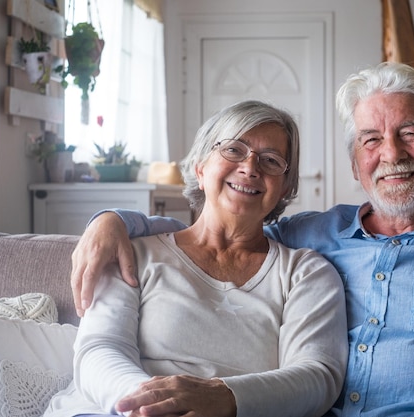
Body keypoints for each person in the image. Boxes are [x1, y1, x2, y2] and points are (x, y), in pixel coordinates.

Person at [71, 62, 414, 416]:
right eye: (372, 139)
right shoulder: (307, 238)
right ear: (356, 162)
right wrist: (114, 221)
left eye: (410, 133)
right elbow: (218, 234)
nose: (391, 153)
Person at [44, 100, 348, 417]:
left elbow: (317, 376)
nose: (250, 168)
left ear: (285, 187)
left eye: (271, 161)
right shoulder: (132, 251)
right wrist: (151, 407)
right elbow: (99, 350)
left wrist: (226, 397)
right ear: (200, 168)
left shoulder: (306, 274)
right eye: (233, 150)